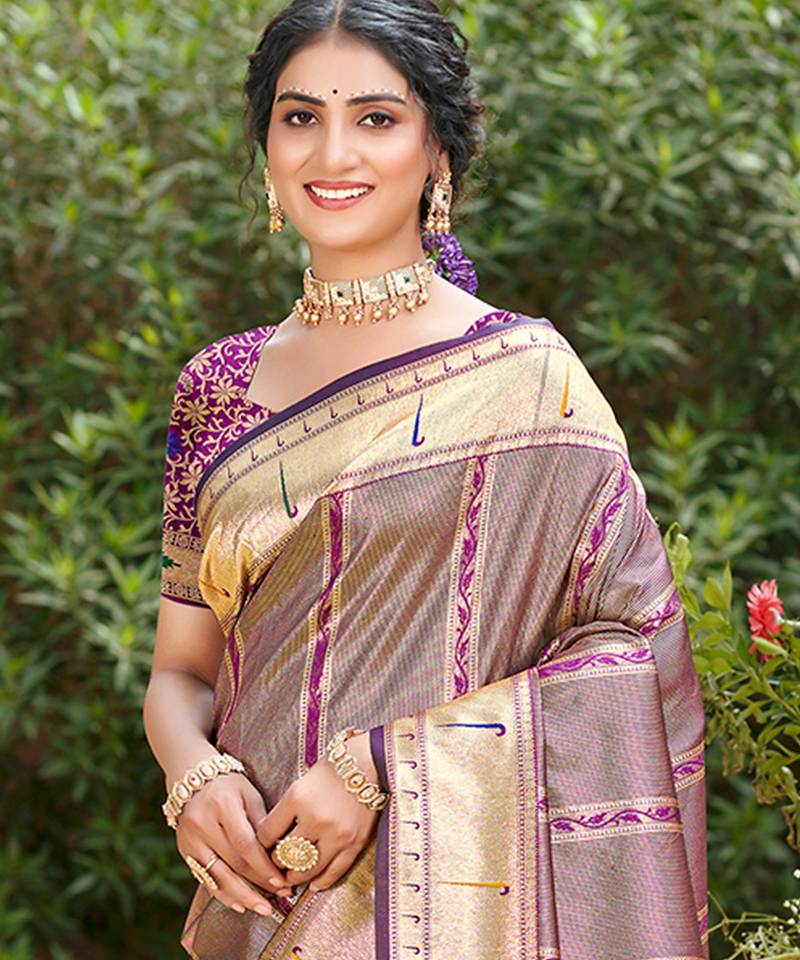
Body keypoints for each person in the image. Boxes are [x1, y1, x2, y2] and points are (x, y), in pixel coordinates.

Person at [142, 2, 709, 958]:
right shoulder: (216, 385)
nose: (333, 153)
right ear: (266, 148)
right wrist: (191, 774)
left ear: (438, 151)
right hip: (260, 893)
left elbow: (635, 653)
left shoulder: (530, 381)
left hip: (466, 907)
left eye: (376, 117)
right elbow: (180, 670)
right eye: (299, 117)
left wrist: (379, 766)